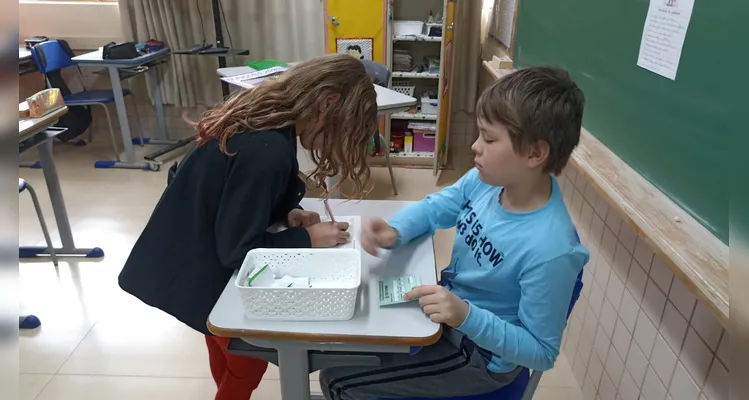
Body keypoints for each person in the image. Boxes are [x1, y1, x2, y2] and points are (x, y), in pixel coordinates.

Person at [118, 54, 378, 400]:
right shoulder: (266, 148)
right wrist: (305, 238)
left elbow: (238, 193)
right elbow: (238, 250)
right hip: (196, 269)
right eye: (343, 127)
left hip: (188, 254)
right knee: (247, 360)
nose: (338, 138)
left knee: (223, 347)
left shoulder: (266, 121)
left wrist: (289, 211)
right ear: (329, 101)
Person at [319, 67, 590, 400]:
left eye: (489, 139)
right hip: (449, 319)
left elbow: (541, 351)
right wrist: (395, 230)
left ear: (535, 153)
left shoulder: (551, 249)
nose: (475, 146)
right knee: (343, 340)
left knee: (338, 381)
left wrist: (466, 315)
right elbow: (438, 206)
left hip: (478, 356)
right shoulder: (488, 182)